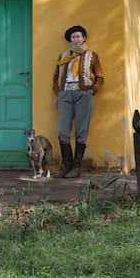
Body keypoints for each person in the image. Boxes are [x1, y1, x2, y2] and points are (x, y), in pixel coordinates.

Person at [52, 25, 104, 178]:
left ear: (84, 38)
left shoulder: (92, 56)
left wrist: (91, 91)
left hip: (84, 95)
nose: (75, 39)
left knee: (81, 131)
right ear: (70, 40)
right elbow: (56, 76)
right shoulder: (63, 56)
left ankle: (76, 168)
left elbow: (100, 77)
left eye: (78, 36)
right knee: (62, 131)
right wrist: (59, 92)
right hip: (66, 95)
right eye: (73, 37)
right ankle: (66, 166)